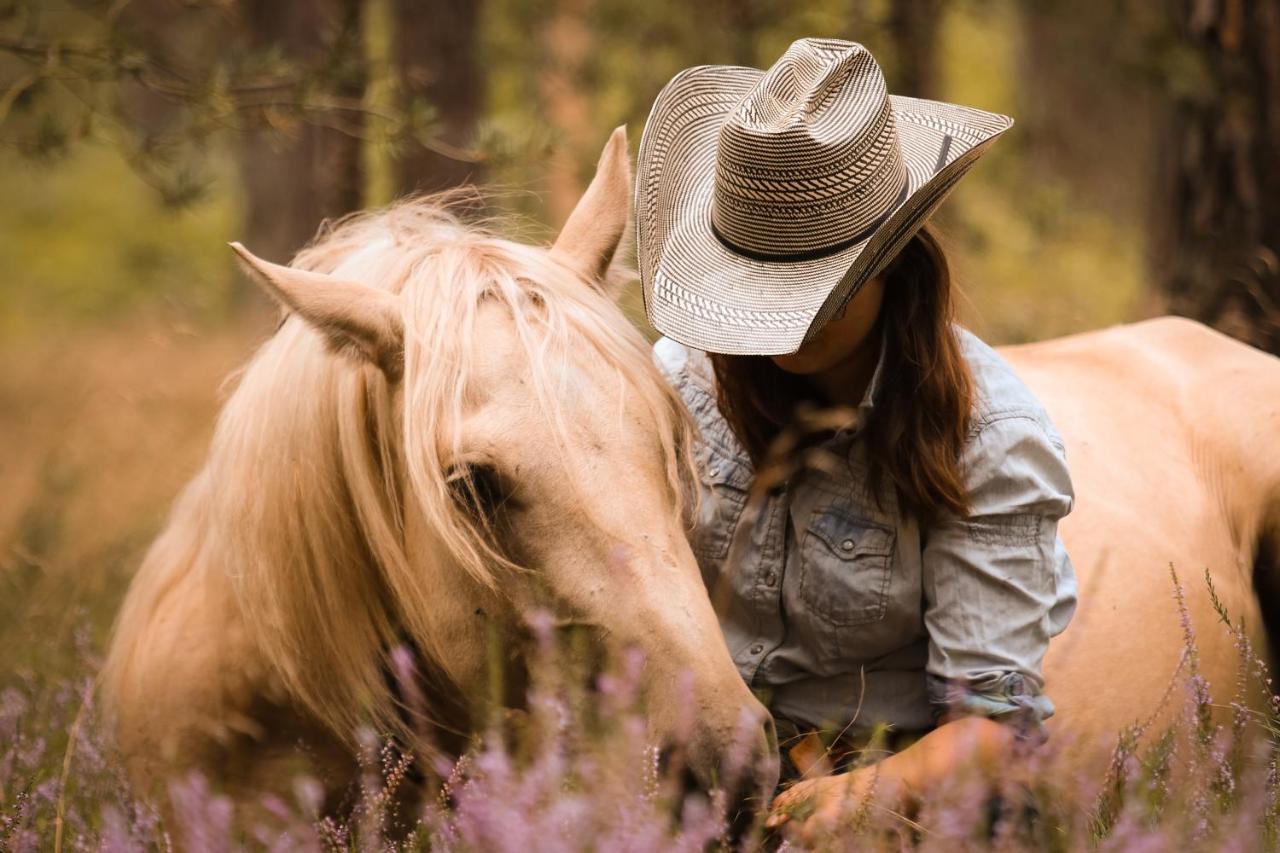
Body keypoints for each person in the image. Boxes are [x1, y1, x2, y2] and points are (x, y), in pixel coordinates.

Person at [635, 38, 1077, 840]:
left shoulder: (988, 438)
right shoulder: (683, 383)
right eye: (759, 280)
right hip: (702, 771)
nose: (784, 323)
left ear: (891, 260)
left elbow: (993, 724)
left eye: (815, 284)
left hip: (894, 775)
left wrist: (858, 795)